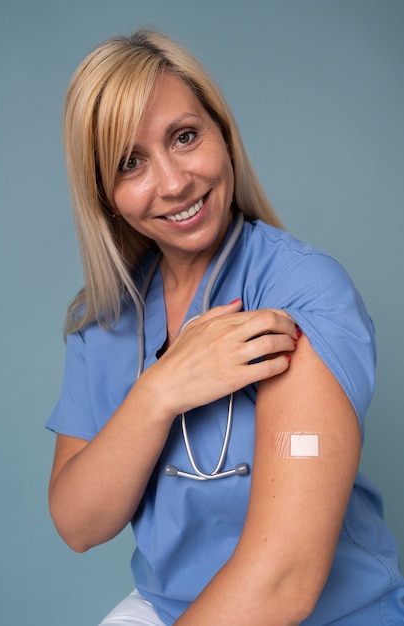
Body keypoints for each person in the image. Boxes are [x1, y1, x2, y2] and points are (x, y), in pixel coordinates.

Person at [46, 29, 404, 626]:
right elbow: (79, 524)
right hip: (168, 609)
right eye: (130, 163)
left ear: (224, 135)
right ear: (106, 196)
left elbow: (283, 582)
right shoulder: (106, 320)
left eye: (184, 137)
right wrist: (159, 392)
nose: (174, 182)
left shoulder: (303, 293)